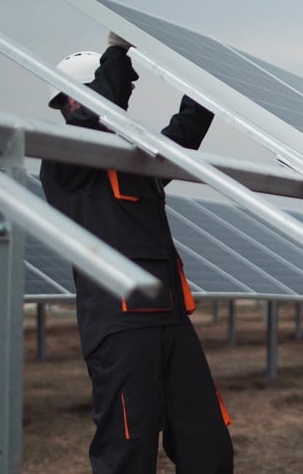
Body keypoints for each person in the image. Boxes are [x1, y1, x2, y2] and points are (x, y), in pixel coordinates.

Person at [40, 32, 234, 474]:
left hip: (170, 320)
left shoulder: (136, 161)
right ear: (73, 101)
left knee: (206, 441)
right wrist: (117, 50)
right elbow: (97, 113)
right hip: (120, 328)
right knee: (128, 449)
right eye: (117, 86)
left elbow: (180, 137)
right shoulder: (65, 161)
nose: (126, 93)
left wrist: (201, 88)